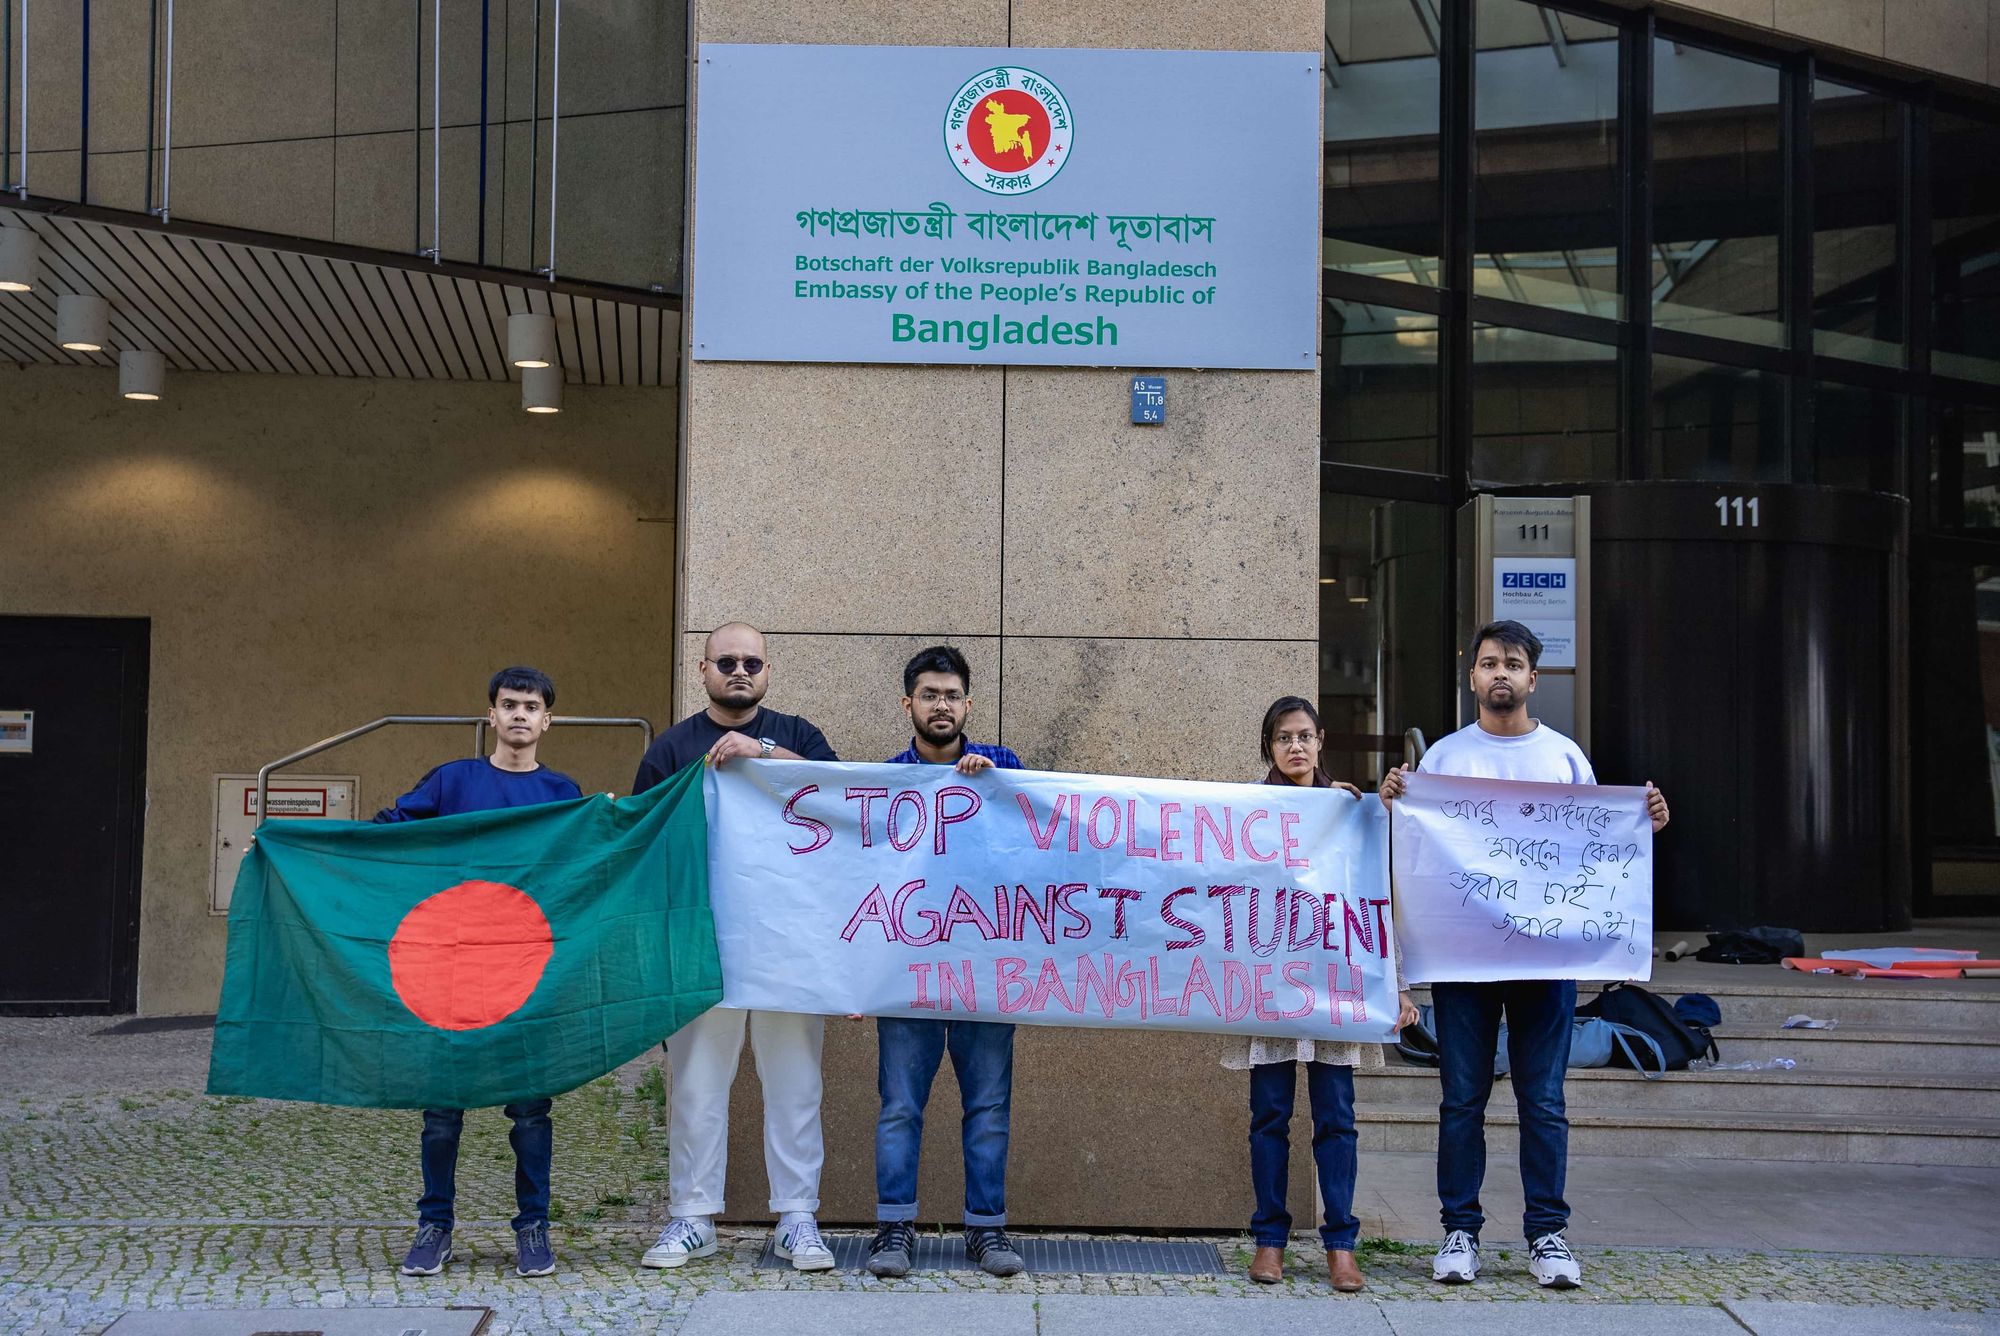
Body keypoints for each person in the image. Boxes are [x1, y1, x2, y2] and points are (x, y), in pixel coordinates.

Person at [1380, 620, 1670, 1290]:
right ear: (1472, 677)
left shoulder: (1565, 759)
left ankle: (1547, 1234)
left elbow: (1600, 847)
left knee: (1544, 1099)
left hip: (1546, 959)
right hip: (1462, 960)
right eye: (1489, 663)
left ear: (1534, 678)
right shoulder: (1444, 761)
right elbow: (1415, 858)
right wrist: (1396, 801)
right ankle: (1460, 1229)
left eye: (1512, 663)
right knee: (1462, 1098)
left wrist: (1645, 816)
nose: (1500, 674)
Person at [632, 622, 841, 1274]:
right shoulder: (670, 749)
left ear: (769, 670)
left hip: (789, 942)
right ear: (703, 669)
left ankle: (797, 1218)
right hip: (704, 941)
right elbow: (645, 841)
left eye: (752, 661)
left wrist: (762, 750)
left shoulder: (798, 737)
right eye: (728, 661)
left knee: (795, 1083)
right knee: (696, 1085)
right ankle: (692, 1218)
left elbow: (840, 798)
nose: (740, 671)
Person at [381, 666, 583, 1281]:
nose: (520, 715)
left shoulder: (561, 793)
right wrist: (296, 846)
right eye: (508, 704)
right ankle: (435, 1225)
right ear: (490, 716)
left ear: (547, 720)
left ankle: (533, 1227)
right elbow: (388, 833)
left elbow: (585, 869)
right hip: (453, 969)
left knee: (530, 1112)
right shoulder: (452, 782)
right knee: (442, 1111)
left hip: (526, 973)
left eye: (531, 707)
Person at [1222, 695, 1417, 1293]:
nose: (1296, 747)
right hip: (1272, 987)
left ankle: (1341, 1245)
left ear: (1322, 740)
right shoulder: (1246, 815)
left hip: (1334, 988)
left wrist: (1397, 983)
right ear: (1269, 747)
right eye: (1284, 738)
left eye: (1304, 736)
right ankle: (1270, 1242)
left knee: (1337, 1116)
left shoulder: (1351, 811)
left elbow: (1374, 903)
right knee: (1270, 1117)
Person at [865, 645, 1028, 1280]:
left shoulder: (1004, 767)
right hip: (907, 973)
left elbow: (1039, 852)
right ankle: (893, 1229)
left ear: (967, 704)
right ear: (909, 704)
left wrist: (994, 789)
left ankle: (986, 1232)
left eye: (952, 695)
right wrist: (853, 977)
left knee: (988, 1105)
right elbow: (859, 878)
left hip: (986, 968)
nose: (941, 705)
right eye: (929, 695)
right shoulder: (883, 782)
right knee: (900, 1104)